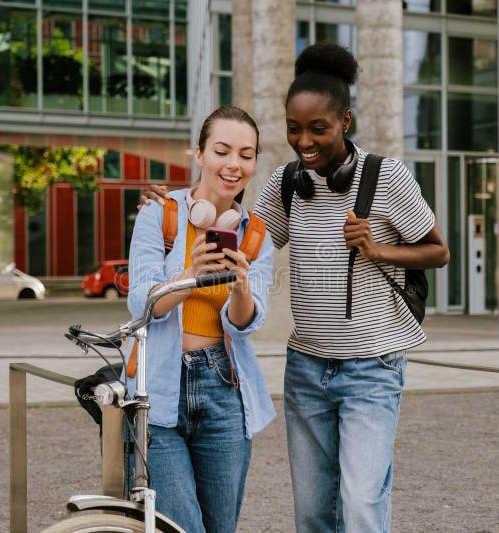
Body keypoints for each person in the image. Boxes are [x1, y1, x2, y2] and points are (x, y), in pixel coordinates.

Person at [141, 43, 449, 533]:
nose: (303, 141)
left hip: (372, 366)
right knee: (311, 513)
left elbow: (438, 251)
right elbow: (237, 227)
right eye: (293, 128)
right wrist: (174, 202)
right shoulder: (287, 183)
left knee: (363, 503)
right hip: (306, 369)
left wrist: (378, 249)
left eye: (318, 129)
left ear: (345, 121)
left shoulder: (387, 178)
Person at [126, 105, 276, 533]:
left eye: (246, 155)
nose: (234, 164)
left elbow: (245, 324)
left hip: (225, 390)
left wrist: (242, 284)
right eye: (222, 151)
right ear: (199, 154)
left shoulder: (253, 233)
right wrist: (190, 275)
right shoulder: (160, 214)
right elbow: (142, 306)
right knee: (179, 527)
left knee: (220, 528)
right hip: (157, 388)